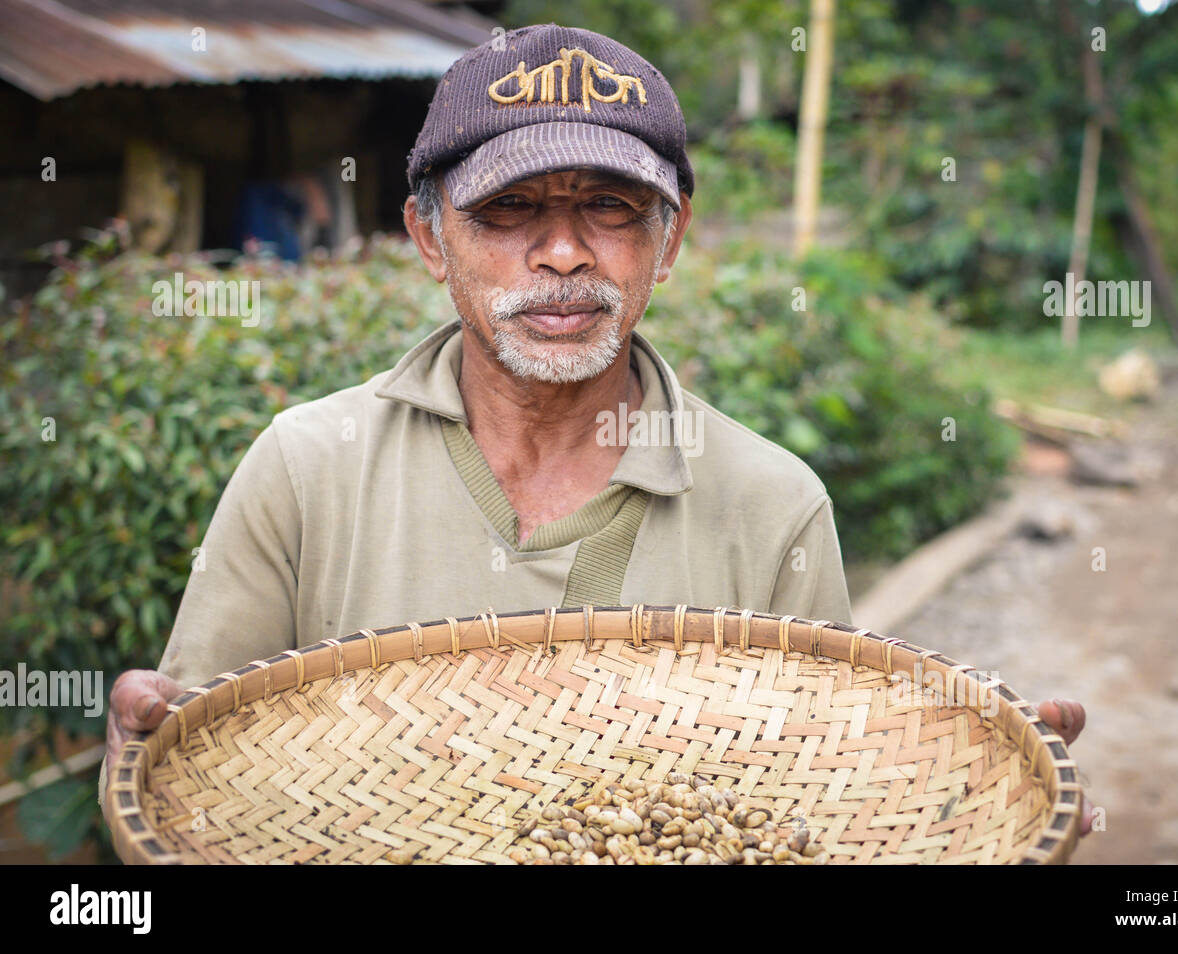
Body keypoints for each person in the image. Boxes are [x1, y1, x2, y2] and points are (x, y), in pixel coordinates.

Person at [104, 23, 1092, 834]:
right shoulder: (307, 471)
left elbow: (804, 824)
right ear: (426, 236)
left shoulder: (771, 507)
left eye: (611, 209)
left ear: (669, 241)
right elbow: (199, 804)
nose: (565, 252)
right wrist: (140, 759)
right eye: (510, 208)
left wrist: (964, 809)